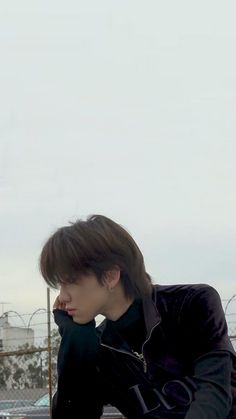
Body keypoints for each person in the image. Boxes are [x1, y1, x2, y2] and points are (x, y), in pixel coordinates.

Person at [39, 214, 236, 419]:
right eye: (60, 285)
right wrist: (76, 340)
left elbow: (214, 394)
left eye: (70, 281)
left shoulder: (189, 304)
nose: (62, 296)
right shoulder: (98, 348)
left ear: (110, 276)